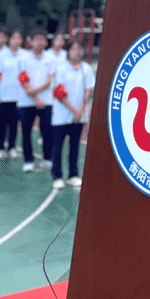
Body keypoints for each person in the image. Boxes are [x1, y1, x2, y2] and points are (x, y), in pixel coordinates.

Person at [50, 40, 95, 189]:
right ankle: (57, 175)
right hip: (62, 116)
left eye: (80, 48)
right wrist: (74, 110)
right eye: (73, 49)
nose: (77, 52)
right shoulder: (60, 68)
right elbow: (58, 92)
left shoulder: (86, 69)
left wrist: (81, 110)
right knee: (58, 146)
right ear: (68, 52)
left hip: (78, 116)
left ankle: (73, 174)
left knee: (75, 147)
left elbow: (88, 90)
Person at [18, 28, 54, 171]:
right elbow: (23, 78)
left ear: (46, 42)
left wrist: (36, 94)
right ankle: (28, 160)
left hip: (46, 101)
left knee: (47, 131)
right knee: (26, 131)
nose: (40, 42)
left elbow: (50, 79)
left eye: (42, 40)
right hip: (27, 101)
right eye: (36, 39)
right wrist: (34, 96)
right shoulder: (24, 59)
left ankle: (47, 158)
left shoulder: (49, 59)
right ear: (30, 42)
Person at [0, 29, 27, 159]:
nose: (16, 41)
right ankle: (0, 147)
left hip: (19, 96)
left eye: (19, 38)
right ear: (9, 40)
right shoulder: (2, 55)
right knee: (1, 123)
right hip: (3, 95)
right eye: (13, 38)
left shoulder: (25, 55)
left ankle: (11, 147)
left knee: (14, 123)